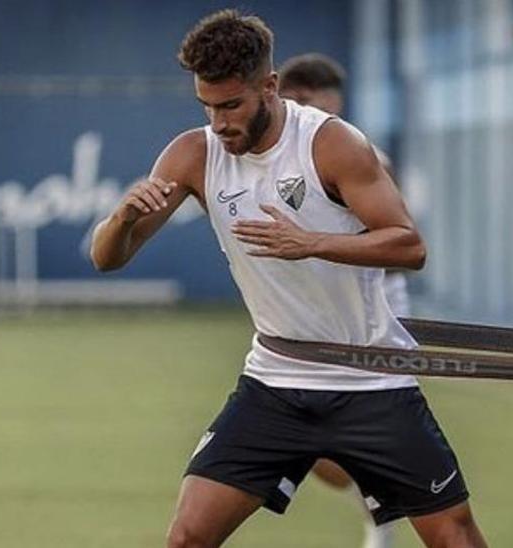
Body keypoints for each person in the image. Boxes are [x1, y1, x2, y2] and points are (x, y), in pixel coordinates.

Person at [89, 10, 486, 548]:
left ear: (269, 86)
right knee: (186, 538)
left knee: (453, 538)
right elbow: (107, 259)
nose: (220, 121)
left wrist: (314, 242)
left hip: (369, 381)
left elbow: (409, 245)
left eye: (231, 105)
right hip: (274, 382)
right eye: (207, 106)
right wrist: (123, 219)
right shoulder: (193, 153)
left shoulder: (331, 143)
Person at [277, 51, 408, 548]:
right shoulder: (286, 160)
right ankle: (380, 498)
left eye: (308, 99)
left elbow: (402, 244)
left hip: (376, 314)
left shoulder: (359, 154)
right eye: (291, 100)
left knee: (366, 430)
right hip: (317, 320)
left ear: (331, 99)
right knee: (319, 451)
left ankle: (385, 517)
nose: (300, 110)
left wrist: (319, 245)